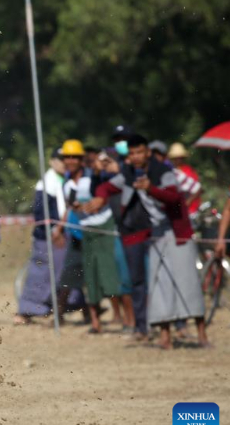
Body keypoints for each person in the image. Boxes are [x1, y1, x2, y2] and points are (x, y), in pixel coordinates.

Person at [88, 135, 210, 349]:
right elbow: (107, 188)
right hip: (155, 234)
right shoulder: (128, 173)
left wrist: (150, 189)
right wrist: (99, 198)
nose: (136, 157)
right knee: (158, 283)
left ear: (147, 153)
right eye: (132, 153)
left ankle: (201, 335)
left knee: (187, 282)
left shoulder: (163, 171)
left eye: (139, 152)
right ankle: (165, 337)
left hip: (177, 232)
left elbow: (174, 198)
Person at [53, 139, 121, 334]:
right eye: (67, 157)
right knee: (83, 277)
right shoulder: (66, 184)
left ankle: (120, 316)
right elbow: (68, 207)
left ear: (82, 159)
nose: (71, 160)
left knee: (107, 274)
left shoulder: (92, 177)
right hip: (80, 233)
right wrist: (59, 228)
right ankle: (93, 322)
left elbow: (104, 189)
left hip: (102, 230)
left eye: (75, 157)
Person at [17, 148, 68, 323]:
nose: (64, 163)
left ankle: (64, 309)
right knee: (40, 275)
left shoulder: (66, 179)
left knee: (65, 275)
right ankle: (26, 311)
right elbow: (41, 213)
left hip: (64, 235)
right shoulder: (46, 183)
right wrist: (54, 231)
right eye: (61, 159)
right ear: (52, 161)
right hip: (47, 238)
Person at [167, 142, 202, 215]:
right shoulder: (170, 171)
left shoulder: (188, 171)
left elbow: (198, 189)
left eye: (180, 158)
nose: (177, 160)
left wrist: (188, 202)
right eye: (175, 158)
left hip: (190, 208)